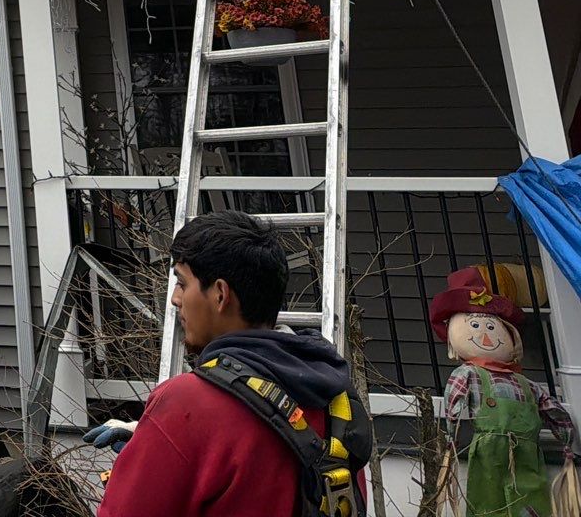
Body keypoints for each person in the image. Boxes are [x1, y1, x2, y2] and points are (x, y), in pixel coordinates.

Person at [91, 210, 371, 517]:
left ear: (221, 294)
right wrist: (162, 445)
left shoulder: (188, 404)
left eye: (183, 284)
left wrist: (147, 459)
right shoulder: (334, 395)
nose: (175, 298)